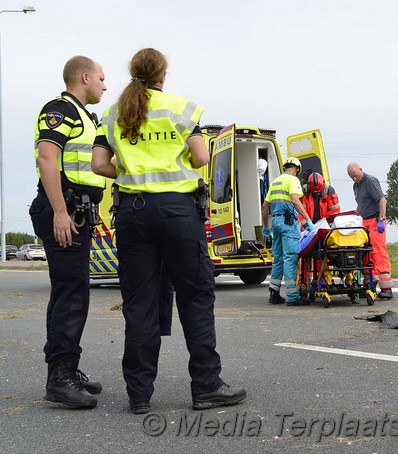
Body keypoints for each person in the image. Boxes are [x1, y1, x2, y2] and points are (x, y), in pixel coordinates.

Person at [91, 48, 246, 414]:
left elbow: (99, 164)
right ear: (163, 74)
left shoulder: (112, 113)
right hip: (177, 212)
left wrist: (132, 174)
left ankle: (139, 395)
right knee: (194, 296)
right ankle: (206, 386)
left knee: (139, 303)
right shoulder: (178, 108)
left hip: (132, 212)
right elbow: (202, 157)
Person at [29, 56, 107, 409]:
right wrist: (60, 211)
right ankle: (59, 376)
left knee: (73, 290)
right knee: (71, 293)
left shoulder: (85, 116)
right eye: (102, 79)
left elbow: (84, 170)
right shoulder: (61, 109)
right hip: (62, 210)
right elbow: (47, 157)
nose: (105, 86)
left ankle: (67, 369)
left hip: (77, 210)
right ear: (85, 77)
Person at [261, 158, 314, 305]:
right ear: (296, 168)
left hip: (276, 223)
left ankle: (274, 293)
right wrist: (308, 220)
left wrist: (266, 227)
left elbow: (265, 207)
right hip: (288, 223)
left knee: (278, 259)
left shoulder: (275, 182)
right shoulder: (293, 180)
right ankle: (292, 297)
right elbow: (295, 201)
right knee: (290, 258)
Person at [346, 162, 394, 299]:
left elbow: (382, 200)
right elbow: (361, 204)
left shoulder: (370, 181)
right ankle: (369, 285)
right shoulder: (356, 186)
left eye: (356, 175)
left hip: (375, 220)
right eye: (352, 177)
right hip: (364, 221)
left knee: (378, 252)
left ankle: (386, 288)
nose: (355, 178)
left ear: (361, 170)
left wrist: (381, 219)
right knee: (366, 254)